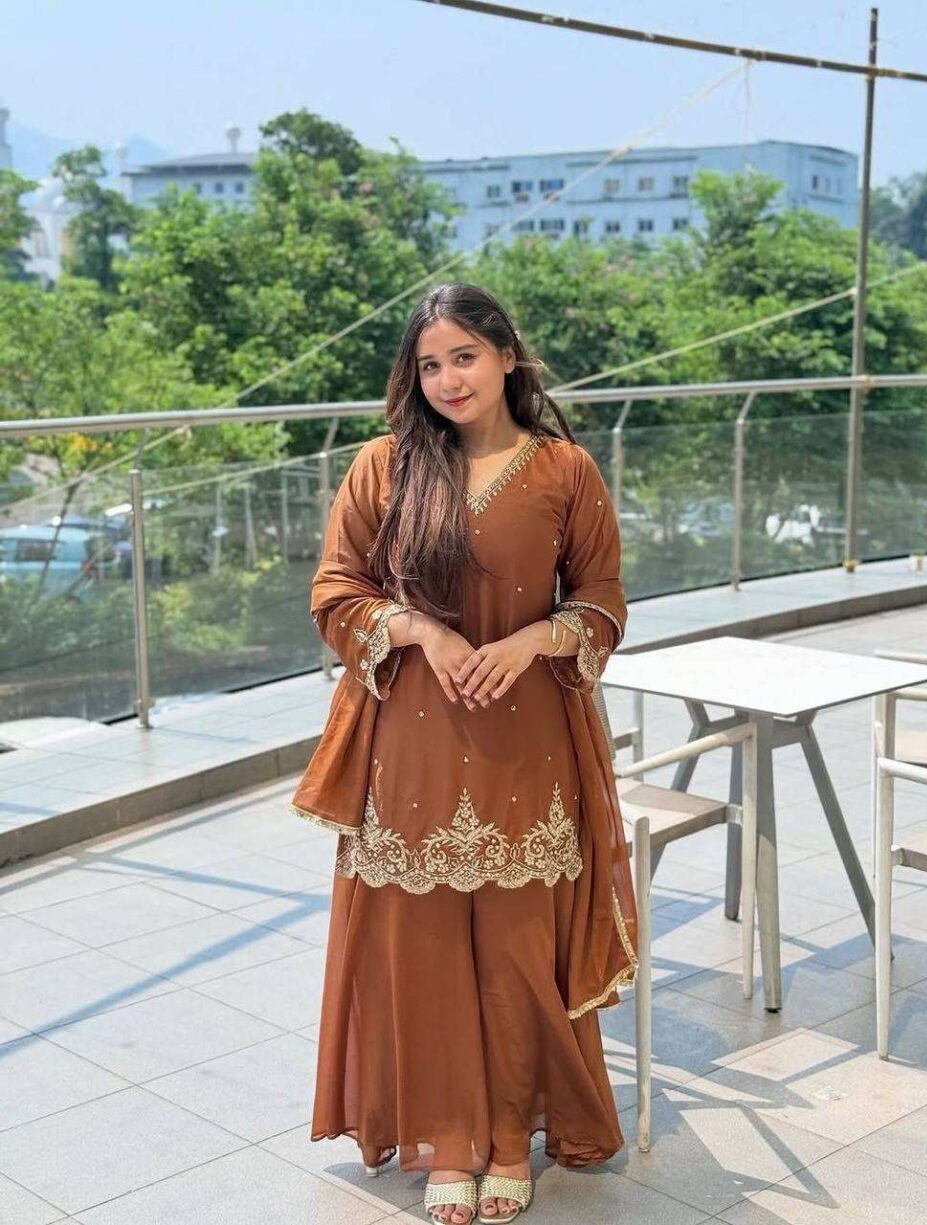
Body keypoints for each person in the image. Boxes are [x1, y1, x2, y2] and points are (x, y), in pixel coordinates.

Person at [291, 282, 639, 1225]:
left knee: (520, 949)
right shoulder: (383, 467)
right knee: (426, 947)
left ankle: (508, 1134)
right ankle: (451, 1137)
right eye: (430, 364)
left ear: (506, 357)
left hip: (529, 738)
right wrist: (420, 630)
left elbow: (603, 598)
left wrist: (531, 641)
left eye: (465, 357)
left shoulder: (565, 469)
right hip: (413, 735)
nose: (448, 379)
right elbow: (335, 591)